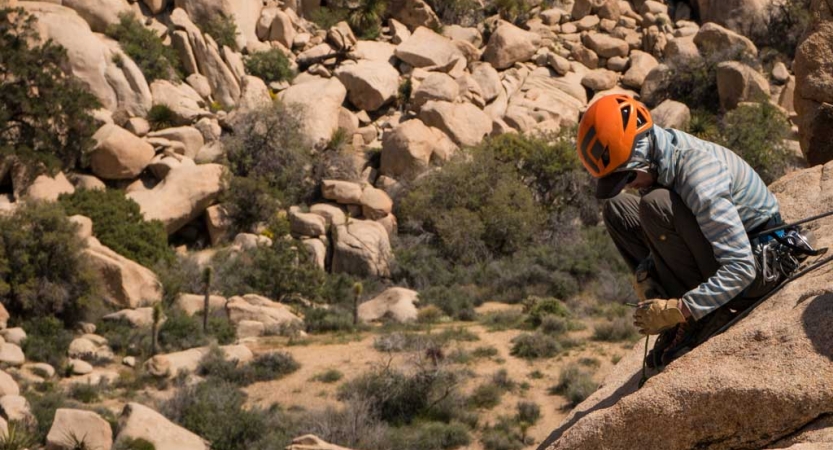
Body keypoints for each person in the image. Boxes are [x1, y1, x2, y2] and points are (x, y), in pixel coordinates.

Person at [576, 94, 784, 367]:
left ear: (642, 155)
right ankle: (674, 304)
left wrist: (681, 309)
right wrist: (648, 270)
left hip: (757, 267)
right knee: (618, 209)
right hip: (716, 251)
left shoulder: (698, 173)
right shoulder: (657, 155)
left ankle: (703, 315)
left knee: (655, 205)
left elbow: (741, 267)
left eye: (627, 177)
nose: (629, 186)